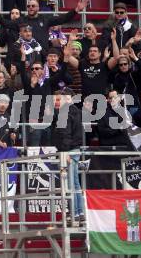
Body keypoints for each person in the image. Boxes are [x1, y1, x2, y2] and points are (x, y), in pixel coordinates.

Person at [0, 0, 89, 54]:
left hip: (43, 54)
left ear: (38, 7)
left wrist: (76, 10)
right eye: (28, 6)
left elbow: (63, 18)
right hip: (27, 55)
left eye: (33, 6)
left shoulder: (45, 19)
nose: (30, 8)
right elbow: (6, 24)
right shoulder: (21, 20)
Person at [50, 88, 84, 221]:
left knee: (71, 183)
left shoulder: (66, 111)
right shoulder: (76, 111)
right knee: (75, 183)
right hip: (74, 149)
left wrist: (64, 152)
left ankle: (75, 213)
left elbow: (65, 133)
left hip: (69, 151)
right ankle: (78, 212)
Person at [64, 32, 119, 101]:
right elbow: (67, 55)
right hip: (86, 102)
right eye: (90, 51)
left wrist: (113, 40)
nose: (92, 53)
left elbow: (116, 58)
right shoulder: (82, 64)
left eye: (95, 51)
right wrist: (70, 41)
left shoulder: (104, 65)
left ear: (99, 54)